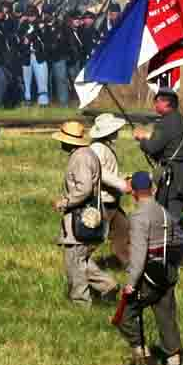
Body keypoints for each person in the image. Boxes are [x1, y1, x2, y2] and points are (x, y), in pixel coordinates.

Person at [114, 172, 183, 365]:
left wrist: (131, 283)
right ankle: (174, 363)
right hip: (167, 272)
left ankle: (144, 359)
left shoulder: (138, 217)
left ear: (134, 193)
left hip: (147, 276)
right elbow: (178, 240)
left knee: (125, 316)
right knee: (166, 316)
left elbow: (138, 254)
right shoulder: (164, 213)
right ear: (152, 189)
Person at [52, 121, 118, 306]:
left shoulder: (80, 157)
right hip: (92, 215)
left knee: (74, 263)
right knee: (81, 260)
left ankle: (81, 304)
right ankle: (108, 285)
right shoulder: (88, 153)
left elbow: (84, 188)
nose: (61, 144)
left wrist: (65, 202)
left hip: (80, 219)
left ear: (69, 141)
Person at [134, 87, 183, 219]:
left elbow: (152, 148)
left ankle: (177, 239)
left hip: (173, 178)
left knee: (169, 220)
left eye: (157, 101)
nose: (155, 105)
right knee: (169, 216)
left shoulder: (165, 122)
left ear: (166, 103)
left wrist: (142, 139)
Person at [89, 113, 131, 266]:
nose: (117, 132)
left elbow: (110, 172)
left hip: (111, 201)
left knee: (123, 230)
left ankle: (130, 265)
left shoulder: (104, 147)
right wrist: (122, 185)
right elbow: (102, 172)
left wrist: (125, 178)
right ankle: (80, 262)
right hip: (102, 201)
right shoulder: (98, 148)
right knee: (95, 236)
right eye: (115, 130)